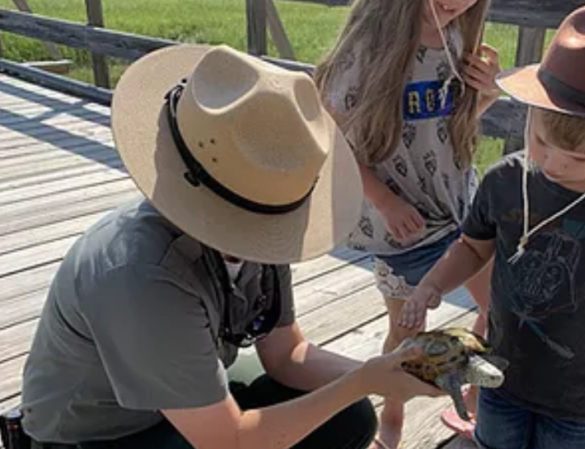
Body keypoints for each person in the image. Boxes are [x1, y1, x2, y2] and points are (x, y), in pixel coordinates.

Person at [20, 44, 443, 449]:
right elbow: (230, 442)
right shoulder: (139, 273)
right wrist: (363, 382)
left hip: (180, 399)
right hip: (97, 431)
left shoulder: (261, 215)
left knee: (350, 419)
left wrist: (387, 372)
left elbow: (287, 354)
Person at [400, 3, 585, 449]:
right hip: (502, 373)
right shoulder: (505, 180)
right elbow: (473, 248)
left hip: (584, 392)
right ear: (529, 111)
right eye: (541, 143)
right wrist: (433, 283)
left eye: (579, 159)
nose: (551, 165)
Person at [314, 0, 536, 446]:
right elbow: (331, 137)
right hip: (402, 224)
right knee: (408, 332)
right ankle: (390, 422)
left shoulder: (458, 36)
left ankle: (477, 404)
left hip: (458, 206)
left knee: (498, 309)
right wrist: (383, 199)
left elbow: (448, 128)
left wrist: (483, 95)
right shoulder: (368, 45)